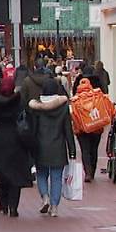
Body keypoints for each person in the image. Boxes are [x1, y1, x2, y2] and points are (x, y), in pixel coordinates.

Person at [29, 76, 76, 217]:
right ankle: (54, 206)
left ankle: (45, 197)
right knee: (56, 177)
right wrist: (72, 150)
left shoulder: (37, 108)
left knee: (41, 174)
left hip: (41, 146)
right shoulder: (62, 107)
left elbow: (33, 129)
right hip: (58, 147)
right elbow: (68, 130)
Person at [0, 69, 31, 217]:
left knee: (1, 174)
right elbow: (24, 120)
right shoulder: (19, 102)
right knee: (15, 174)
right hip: (15, 140)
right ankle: (13, 207)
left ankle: (3, 204)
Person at [72, 78, 108, 184]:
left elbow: (73, 115)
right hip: (96, 127)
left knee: (85, 150)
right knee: (94, 149)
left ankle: (87, 171)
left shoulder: (76, 99)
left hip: (81, 129)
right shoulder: (97, 96)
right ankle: (92, 171)